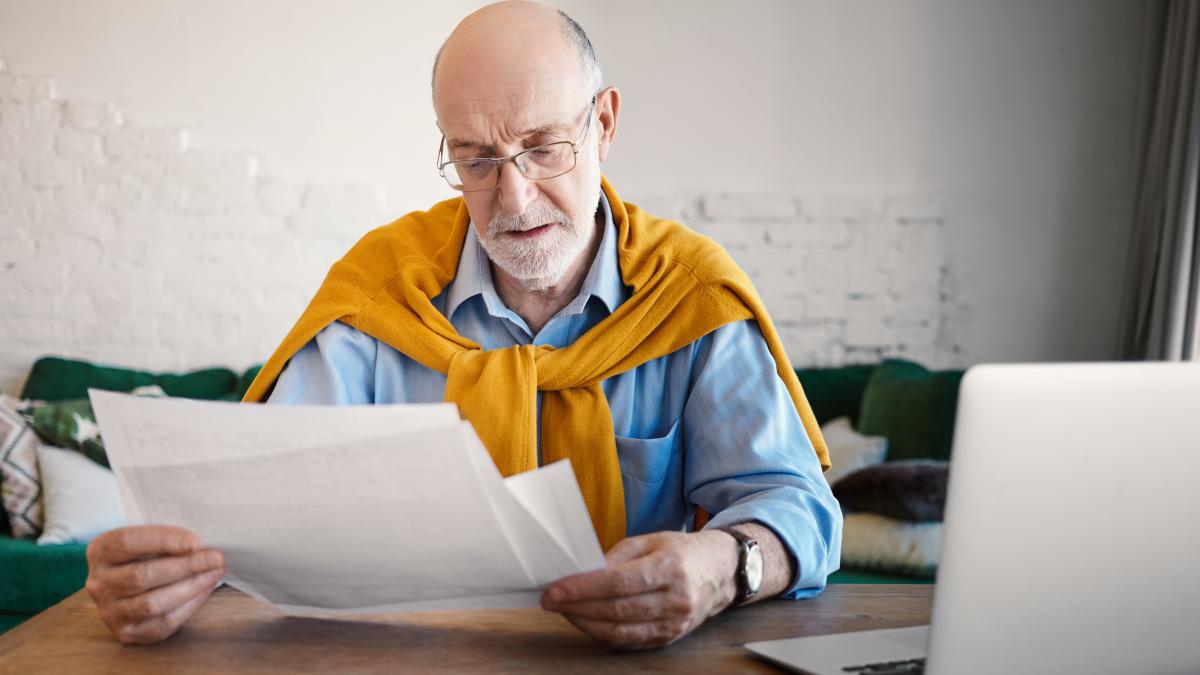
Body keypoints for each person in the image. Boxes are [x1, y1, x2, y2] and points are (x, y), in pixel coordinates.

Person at [85, 1, 842, 648]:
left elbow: (794, 505)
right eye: (475, 159)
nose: (512, 199)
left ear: (604, 124)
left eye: (543, 147)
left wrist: (725, 567)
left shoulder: (689, 296)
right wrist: (159, 573)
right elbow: (256, 504)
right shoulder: (379, 291)